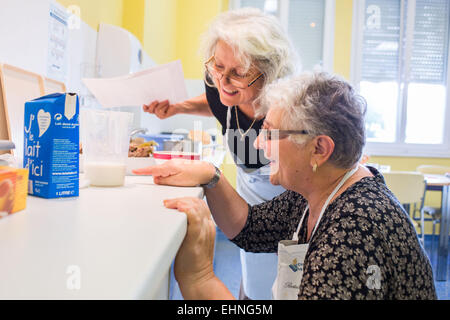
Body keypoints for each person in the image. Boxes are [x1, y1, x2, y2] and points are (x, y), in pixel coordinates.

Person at [134, 72, 437, 299]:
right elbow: (250, 228)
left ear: (319, 149)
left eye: (272, 134)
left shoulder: (353, 231)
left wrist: (200, 278)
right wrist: (211, 176)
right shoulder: (320, 191)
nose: (261, 145)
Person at [142, 8, 299, 299]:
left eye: (238, 73)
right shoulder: (220, 86)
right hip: (246, 216)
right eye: (218, 66)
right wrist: (180, 107)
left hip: (289, 224)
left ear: (269, 74)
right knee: (251, 286)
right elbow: (217, 100)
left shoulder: (288, 115)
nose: (223, 81)